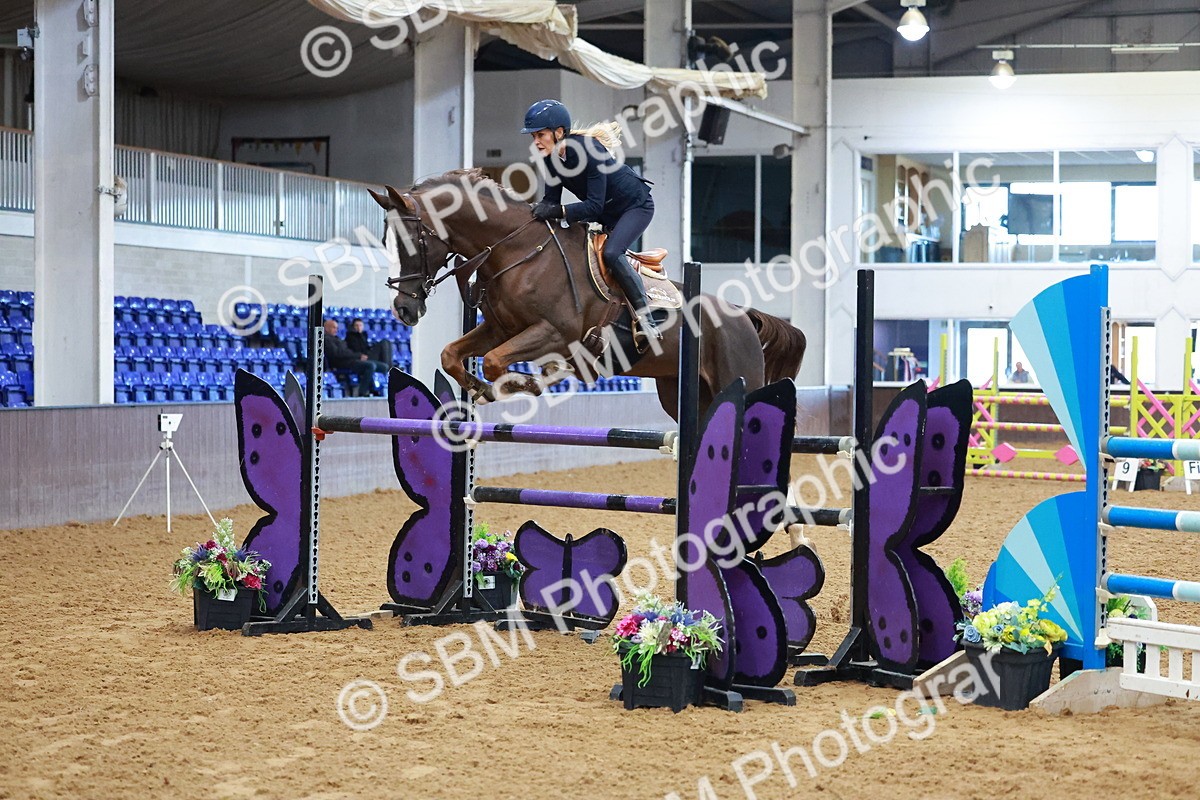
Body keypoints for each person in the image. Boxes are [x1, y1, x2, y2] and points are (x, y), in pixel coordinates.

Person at [521, 98, 666, 347]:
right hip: (604, 213)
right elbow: (551, 202)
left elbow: (592, 206)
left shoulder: (588, 150)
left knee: (611, 253)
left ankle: (646, 318)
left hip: (634, 207)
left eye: (540, 135)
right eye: (533, 136)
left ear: (559, 132)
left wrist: (557, 210)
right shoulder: (550, 158)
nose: (535, 141)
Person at [322, 319, 388, 397]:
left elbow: (347, 351)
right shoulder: (326, 340)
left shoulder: (338, 339)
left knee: (384, 367)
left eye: (336, 328)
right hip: (343, 363)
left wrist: (358, 356)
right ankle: (362, 392)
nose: (336, 330)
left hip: (353, 360)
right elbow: (337, 353)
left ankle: (375, 388)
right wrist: (358, 356)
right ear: (326, 328)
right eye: (333, 327)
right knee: (370, 366)